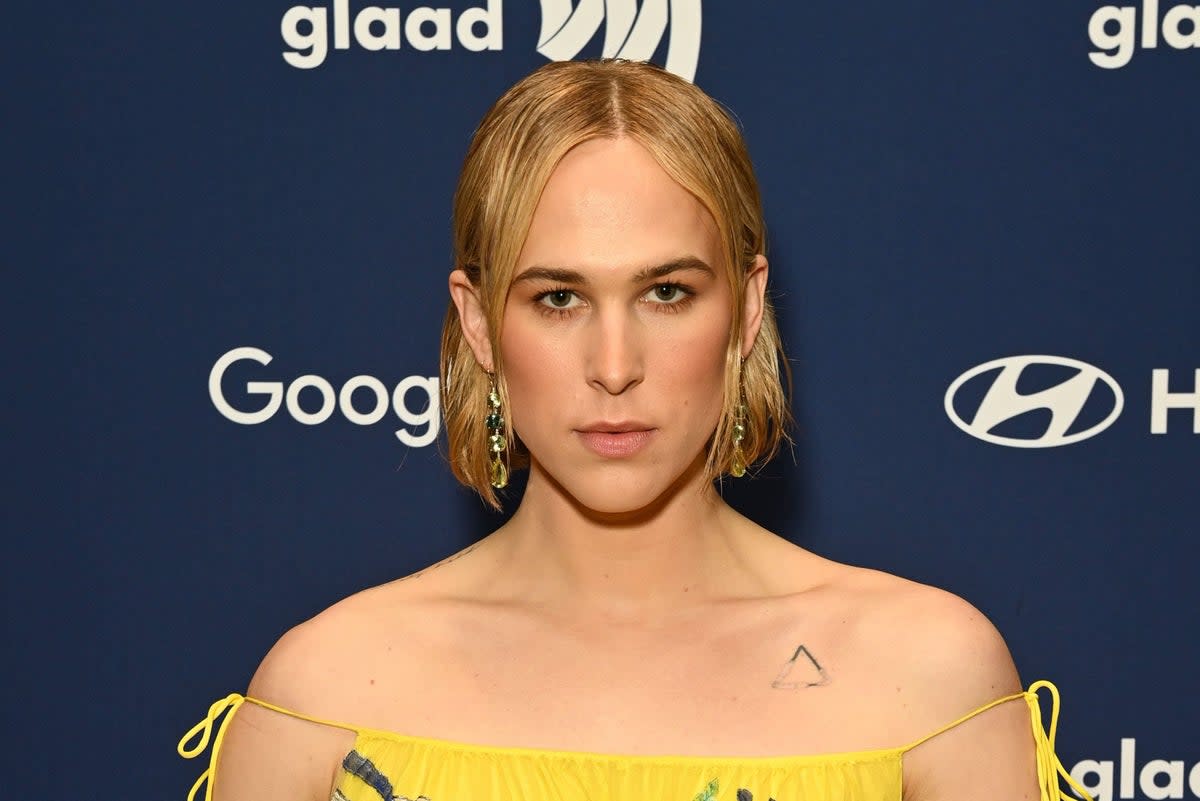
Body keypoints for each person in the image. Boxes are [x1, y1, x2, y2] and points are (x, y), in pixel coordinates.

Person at [180, 59, 1092, 801]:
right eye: (559, 297)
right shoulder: (327, 690)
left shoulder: (925, 676)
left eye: (667, 293)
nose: (614, 364)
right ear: (478, 324)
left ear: (744, 313)